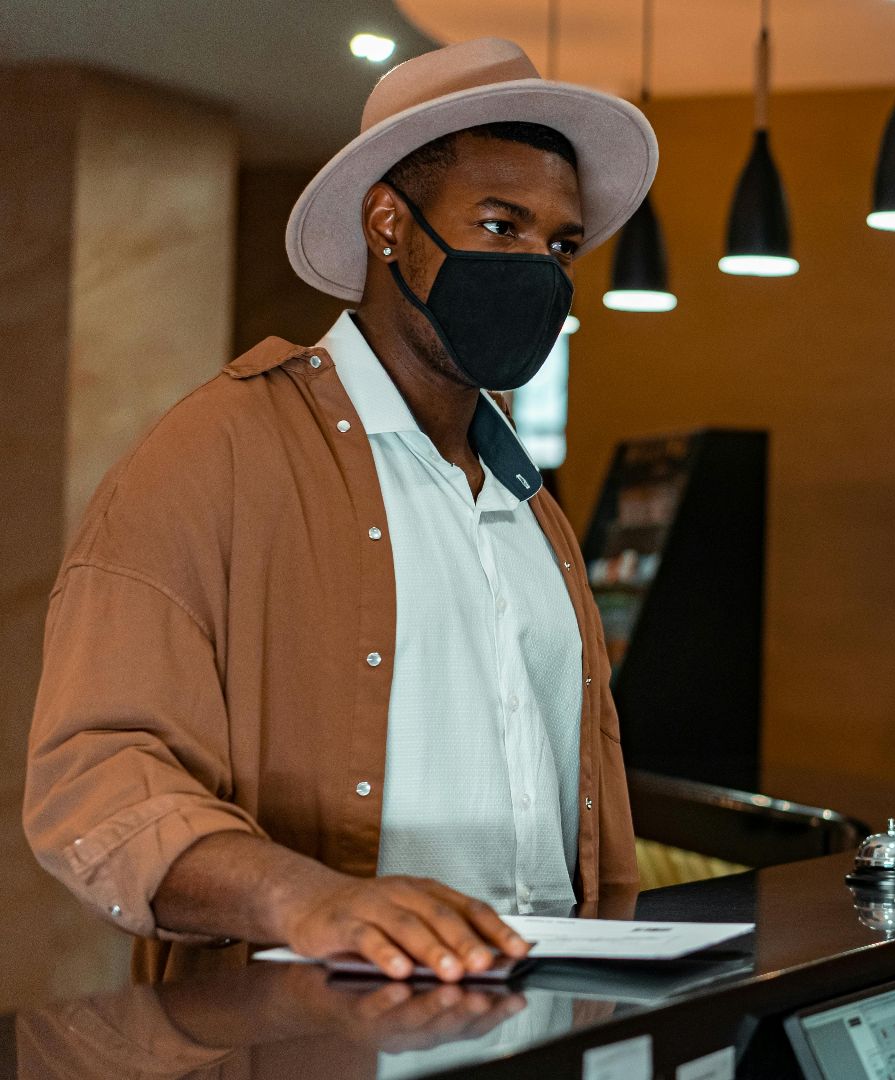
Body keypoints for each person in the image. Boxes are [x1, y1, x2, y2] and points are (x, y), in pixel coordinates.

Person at [23, 37, 660, 983]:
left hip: (545, 1024)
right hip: (308, 1036)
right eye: (498, 225)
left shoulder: (534, 506)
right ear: (388, 223)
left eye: (559, 244)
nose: (538, 266)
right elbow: (94, 777)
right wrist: (305, 896)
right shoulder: (217, 453)